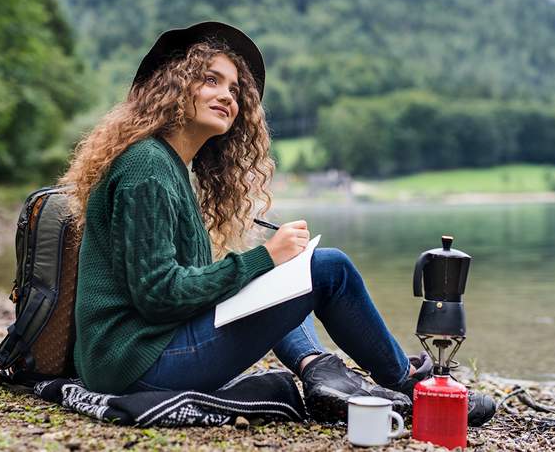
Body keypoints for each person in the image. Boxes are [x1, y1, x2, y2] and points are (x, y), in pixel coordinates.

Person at [60, 21, 495, 425]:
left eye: (234, 89)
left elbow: (177, 289)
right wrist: (263, 259)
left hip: (142, 353)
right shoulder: (148, 167)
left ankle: (318, 369)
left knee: (292, 272)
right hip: (136, 363)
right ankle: (414, 388)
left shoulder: (170, 167)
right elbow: (159, 295)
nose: (228, 95)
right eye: (210, 79)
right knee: (329, 268)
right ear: (172, 86)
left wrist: (271, 268)